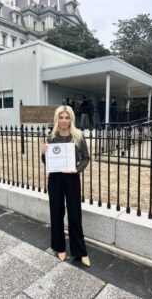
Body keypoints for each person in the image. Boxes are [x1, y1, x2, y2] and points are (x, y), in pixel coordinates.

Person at [41, 105, 91, 267]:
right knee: (56, 213)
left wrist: (76, 170)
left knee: (75, 214)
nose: (64, 121)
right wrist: (44, 153)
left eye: (67, 117)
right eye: (61, 117)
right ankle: (59, 247)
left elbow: (85, 158)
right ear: (57, 119)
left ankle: (80, 251)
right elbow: (46, 162)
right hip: (55, 179)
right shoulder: (51, 137)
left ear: (71, 119)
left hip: (71, 179)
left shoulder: (78, 136)